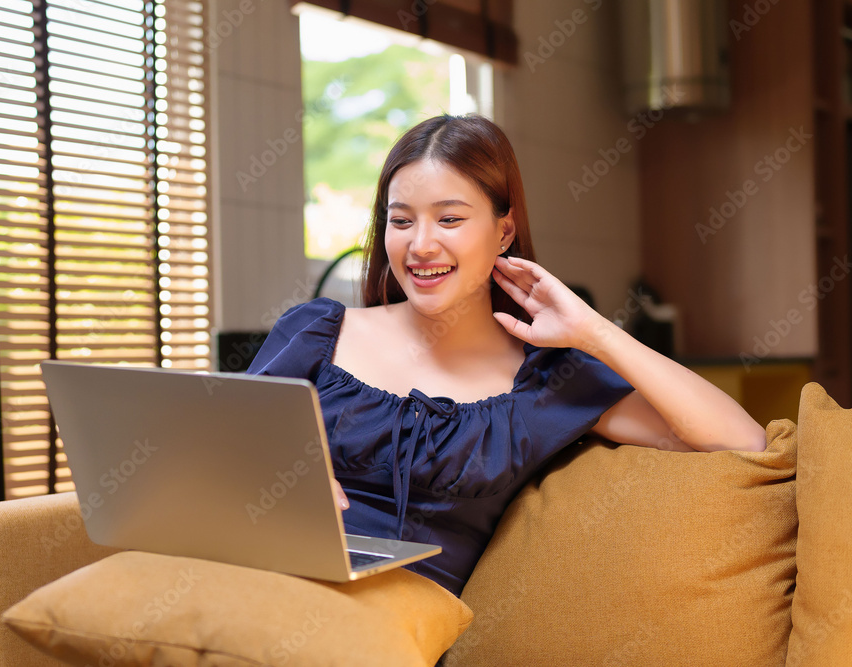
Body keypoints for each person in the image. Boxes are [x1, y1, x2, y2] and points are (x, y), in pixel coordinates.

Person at [246, 113, 766, 597]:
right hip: (260, 579)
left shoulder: (548, 383)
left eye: (449, 219)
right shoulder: (317, 333)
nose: (420, 245)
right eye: (401, 221)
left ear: (504, 232)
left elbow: (741, 439)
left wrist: (594, 332)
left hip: (394, 619)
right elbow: (227, 447)